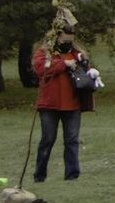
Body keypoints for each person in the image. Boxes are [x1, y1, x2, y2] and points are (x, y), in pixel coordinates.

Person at [31, 24, 89, 183]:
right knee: (47, 139)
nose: (68, 43)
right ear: (57, 36)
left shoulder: (76, 53)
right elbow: (41, 70)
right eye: (65, 39)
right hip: (50, 104)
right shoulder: (44, 53)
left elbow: (85, 73)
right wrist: (63, 65)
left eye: (70, 40)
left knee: (72, 140)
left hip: (72, 104)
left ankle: (72, 175)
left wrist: (84, 63)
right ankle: (39, 175)